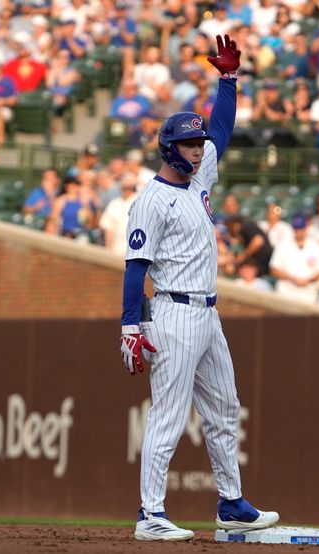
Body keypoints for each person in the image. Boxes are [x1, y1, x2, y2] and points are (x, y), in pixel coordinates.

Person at [119, 35, 278, 542]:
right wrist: (130, 325)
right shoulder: (151, 200)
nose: (198, 146)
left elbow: (223, 129)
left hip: (208, 314)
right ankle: (150, 515)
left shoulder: (198, 178)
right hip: (172, 312)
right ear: (171, 148)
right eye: (190, 142)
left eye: (197, 141)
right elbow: (134, 268)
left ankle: (231, 504)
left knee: (225, 408)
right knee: (167, 416)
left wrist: (228, 81)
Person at [269, 214, 319, 304]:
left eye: (301, 229)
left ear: (306, 229)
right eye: (296, 229)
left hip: (308, 294)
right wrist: (293, 279)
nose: (298, 231)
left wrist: (307, 280)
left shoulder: (315, 246)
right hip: (286, 293)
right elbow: (273, 269)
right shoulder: (283, 245)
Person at [99, 172, 139, 256]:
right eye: (124, 187)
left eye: (128, 187)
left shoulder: (140, 202)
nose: (126, 190)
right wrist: (108, 252)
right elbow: (108, 229)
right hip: (115, 251)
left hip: (134, 254)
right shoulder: (114, 203)